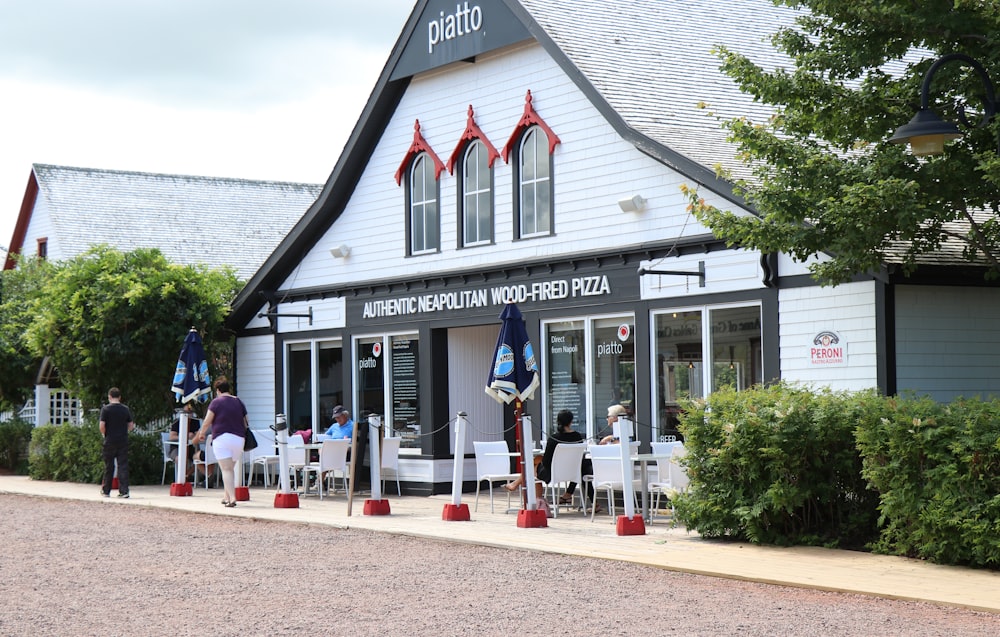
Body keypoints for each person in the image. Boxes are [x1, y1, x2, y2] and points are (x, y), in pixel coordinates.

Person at [193, 378, 247, 507]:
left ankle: (232, 499)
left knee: (226, 469)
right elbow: (246, 422)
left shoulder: (216, 402)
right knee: (230, 469)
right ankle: (226, 496)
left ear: (218, 390)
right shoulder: (238, 401)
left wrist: (201, 434)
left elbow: (207, 421)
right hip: (239, 439)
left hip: (222, 438)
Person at [99, 387, 135, 498]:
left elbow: (102, 426)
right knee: (122, 465)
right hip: (122, 440)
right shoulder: (125, 409)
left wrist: (104, 434)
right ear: (120, 397)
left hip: (110, 440)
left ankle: (106, 490)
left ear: (109, 396)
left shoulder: (105, 409)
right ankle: (124, 491)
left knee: (109, 466)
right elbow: (131, 426)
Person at [169, 403, 200, 480]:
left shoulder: (195, 422)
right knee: (179, 459)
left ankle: (186, 475)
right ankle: (182, 478)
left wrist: (194, 436)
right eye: (186, 412)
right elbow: (172, 437)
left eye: (190, 412)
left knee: (199, 458)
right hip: (176, 447)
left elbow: (198, 435)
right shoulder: (176, 422)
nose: (188, 414)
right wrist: (185, 436)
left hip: (190, 447)